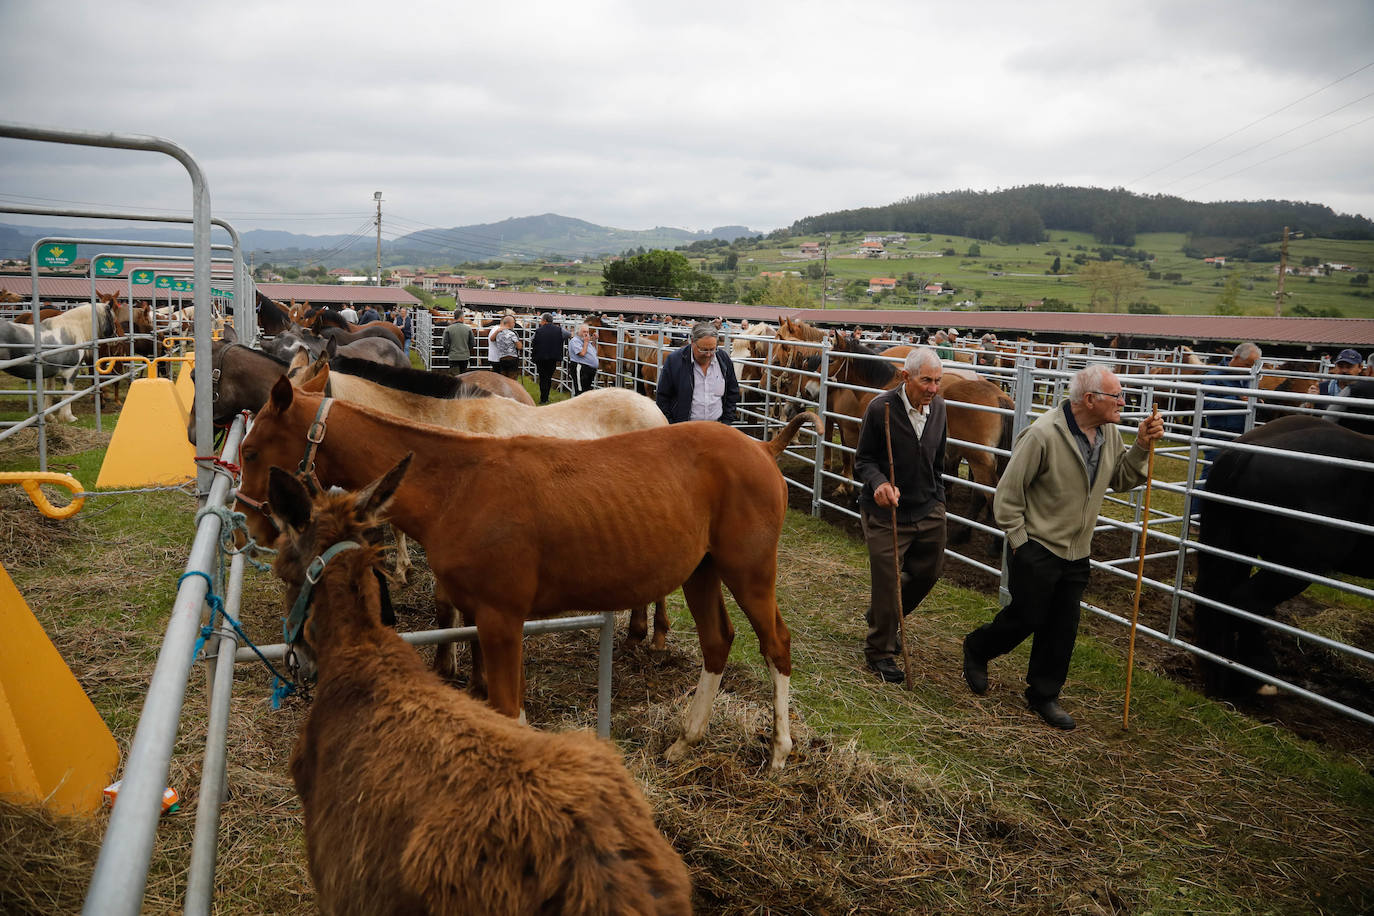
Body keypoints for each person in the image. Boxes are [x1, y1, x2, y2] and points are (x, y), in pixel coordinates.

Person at [961, 363, 1164, 730]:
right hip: (1037, 546)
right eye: (1116, 395)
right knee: (1026, 616)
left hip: (1077, 550)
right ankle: (978, 648)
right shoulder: (1042, 435)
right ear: (1089, 399)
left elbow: (1120, 478)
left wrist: (1141, 446)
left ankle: (1043, 695)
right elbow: (1007, 495)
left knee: (1063, 626)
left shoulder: (1109, 434)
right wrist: (1021, 543)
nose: (1123, 401)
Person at [854, 347, 947, 684]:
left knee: (929, 572)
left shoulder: (940, 409)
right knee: (887, 579)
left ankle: (884, 615)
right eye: (926, 380)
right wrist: (878, 484)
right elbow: (863, 461)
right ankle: (879, 650)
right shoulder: (880, 408)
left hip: (927, 507)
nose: (933, 388)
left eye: (937, 381)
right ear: (906, 377)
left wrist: (939, 500)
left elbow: (939, 462)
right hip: (884, 513)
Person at [655, 321, 740, 424]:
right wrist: (672, 425)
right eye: (703, 350)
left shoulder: (723, 359)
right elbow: (663, 396)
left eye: (713, 349)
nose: (708, 354)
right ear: (692, 341)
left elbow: (732, 391)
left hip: (717, 427)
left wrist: (727, 421)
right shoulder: (675, 361)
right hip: (685, 429)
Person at [531, 312, 566, 404]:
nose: (541, 322)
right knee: (549, 377)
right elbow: (569, 334)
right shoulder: (559, 330)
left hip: (541, 358)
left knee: (543, 378)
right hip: (553, 358)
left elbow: (532, 339)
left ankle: (543, 399)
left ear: (545, 321)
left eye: (541, 320)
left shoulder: (539, 331)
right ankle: (546, 397)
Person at [569, 323, 600, 395]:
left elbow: (593, 352)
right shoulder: (575, 341)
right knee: (580, 391)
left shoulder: (585, 340)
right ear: (578, 332)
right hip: (580, 368)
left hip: (589, 369)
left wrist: (594, 341)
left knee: (586, 391)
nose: (586, 334)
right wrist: (586, 342)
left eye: (587, 332)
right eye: (584, 332)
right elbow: (582, 353)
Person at [490, 314, 522, 379]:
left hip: (502, 359)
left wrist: (497, 331)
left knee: (503, 378)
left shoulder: (498, 333)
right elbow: (519, 347)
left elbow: (492, 339)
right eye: (513, 323)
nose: (514, 324)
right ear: (509, 323)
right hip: (512, 359)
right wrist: (520, 343)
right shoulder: (512, 333)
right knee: (512, 378)